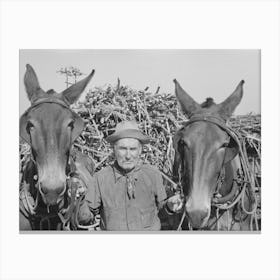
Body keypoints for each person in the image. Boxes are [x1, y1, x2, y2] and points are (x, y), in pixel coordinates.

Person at [76, 120, 183, 231]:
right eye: (123, 149)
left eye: (133, 149)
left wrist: (170, 206)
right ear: (114, 149)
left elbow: (163, 211)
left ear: (140, 150)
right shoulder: (101, 178)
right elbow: (85, 218)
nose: (128, 155)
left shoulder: (153, 174)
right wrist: (79, 200)